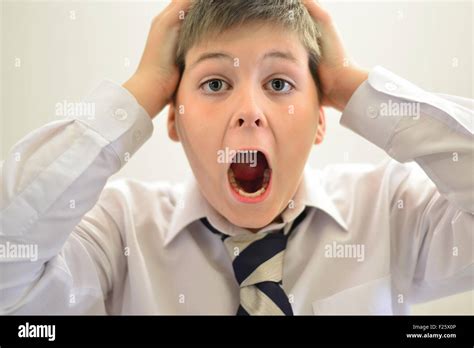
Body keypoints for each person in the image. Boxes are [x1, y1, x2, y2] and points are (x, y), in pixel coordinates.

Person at [0, 0, 472, 315]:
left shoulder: (394, 212)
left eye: (279, 84)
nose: (249, 112)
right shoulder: (117, 231)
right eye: (215, 84)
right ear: (172, 120)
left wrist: (352, 86)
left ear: (321, 120)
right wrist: (140, 94)